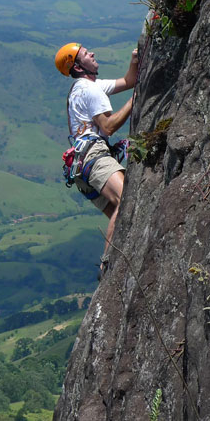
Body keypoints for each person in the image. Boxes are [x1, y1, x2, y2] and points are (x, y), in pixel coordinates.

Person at [55, 42, 138, 276]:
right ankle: (107, 265)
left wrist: (135, 61)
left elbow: (128, 81)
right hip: (93, 156)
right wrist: (135, 100)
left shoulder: (84, 87)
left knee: (117, 216)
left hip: (81, 166)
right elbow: (108, 127)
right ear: (79, 67)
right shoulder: (90, 91)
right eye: (85, 54)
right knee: (126, 199)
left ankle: (109, 269)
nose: (91, 53)